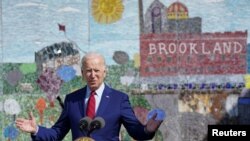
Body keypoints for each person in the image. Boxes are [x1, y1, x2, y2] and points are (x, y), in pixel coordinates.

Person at [15, 52, 163, 141]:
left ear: (105, 72)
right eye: (88, 71)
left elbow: (135, 131)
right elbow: (57, 133)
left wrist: (147, 130)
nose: (93, 75)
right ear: (83, 73)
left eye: (97, 70)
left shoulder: (119, 99)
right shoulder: (72, 99)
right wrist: (37, 130)